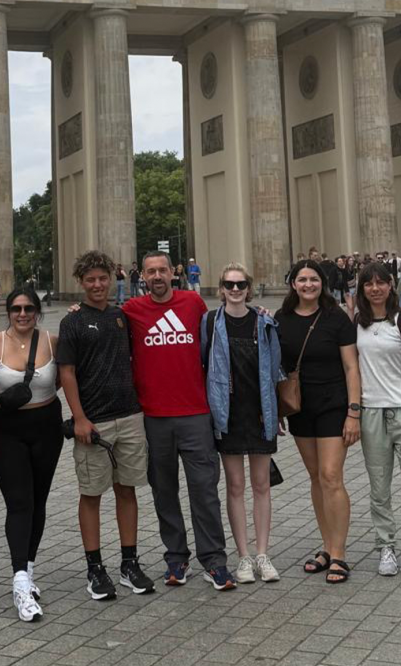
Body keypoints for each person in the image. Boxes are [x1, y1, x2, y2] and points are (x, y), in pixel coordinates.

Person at [123, 251, 236, 590]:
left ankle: (214, 561)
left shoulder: (193, 303)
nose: (157, 276)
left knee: (204, 491)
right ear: (143, 276)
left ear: (173, 272)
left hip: (195, 414)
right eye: (151, 271)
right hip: (153, 417)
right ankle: (176, 557)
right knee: (164, 492)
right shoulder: (131, 310)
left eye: (162, 270)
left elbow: (219, 335)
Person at [57, 251, 156, 601]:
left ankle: (129, 563)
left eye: (102, 278)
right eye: (91, 280)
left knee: (127, 490)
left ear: (111, 280)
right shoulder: (71, 322)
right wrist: (79, 418)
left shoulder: (121, 316)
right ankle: (95, 568)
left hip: (129, 416)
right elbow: (66, 372)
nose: (97, 285)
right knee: (91, 494)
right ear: (81, 282)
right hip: (93, 422)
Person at [276, 258, 361, 584]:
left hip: (333, 406)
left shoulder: (335, 317)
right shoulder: (281, 319)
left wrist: (354, 412)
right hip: (300, 408)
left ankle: (339, 554)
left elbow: (352, 367)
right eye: (302, 279)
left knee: (331, 476)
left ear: (322, 283)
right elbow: (276, 367)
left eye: (313, 279)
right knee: (315, 477)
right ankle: (326, 546)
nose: (308, 285)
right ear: (293, 284)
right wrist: (275, 410)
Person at [0, 287, 62, 621]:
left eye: (29, 308)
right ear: (8, 312)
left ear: (37, 311)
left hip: (47, 428)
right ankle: (19, 582)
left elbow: (60, 381)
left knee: (38, 502)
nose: (23, 314)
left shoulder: (52, 342)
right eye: (16, 308)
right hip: (6, 431)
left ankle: (28, 571)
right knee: (19, 503)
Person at [204, 263, 283, 584]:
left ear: (249, 288)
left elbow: (276, 370)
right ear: (221, 289)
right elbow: (202, 364)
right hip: (228, 415)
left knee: (261, 485)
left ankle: (263, 554)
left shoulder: (265, 322)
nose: (235, 290)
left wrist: (277, 413)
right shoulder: (210, 322)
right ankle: (243, 556)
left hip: (261, 413)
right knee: (235, 486)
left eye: (240, 284)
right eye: (229, 284)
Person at [354, 262, 401, 579]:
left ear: (391, 285)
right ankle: (385, 545)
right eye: (368, 283)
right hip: (371, 411)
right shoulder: (356, 323)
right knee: (379, 487)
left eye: (381, 282)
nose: (375, 289)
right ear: (361, 288)